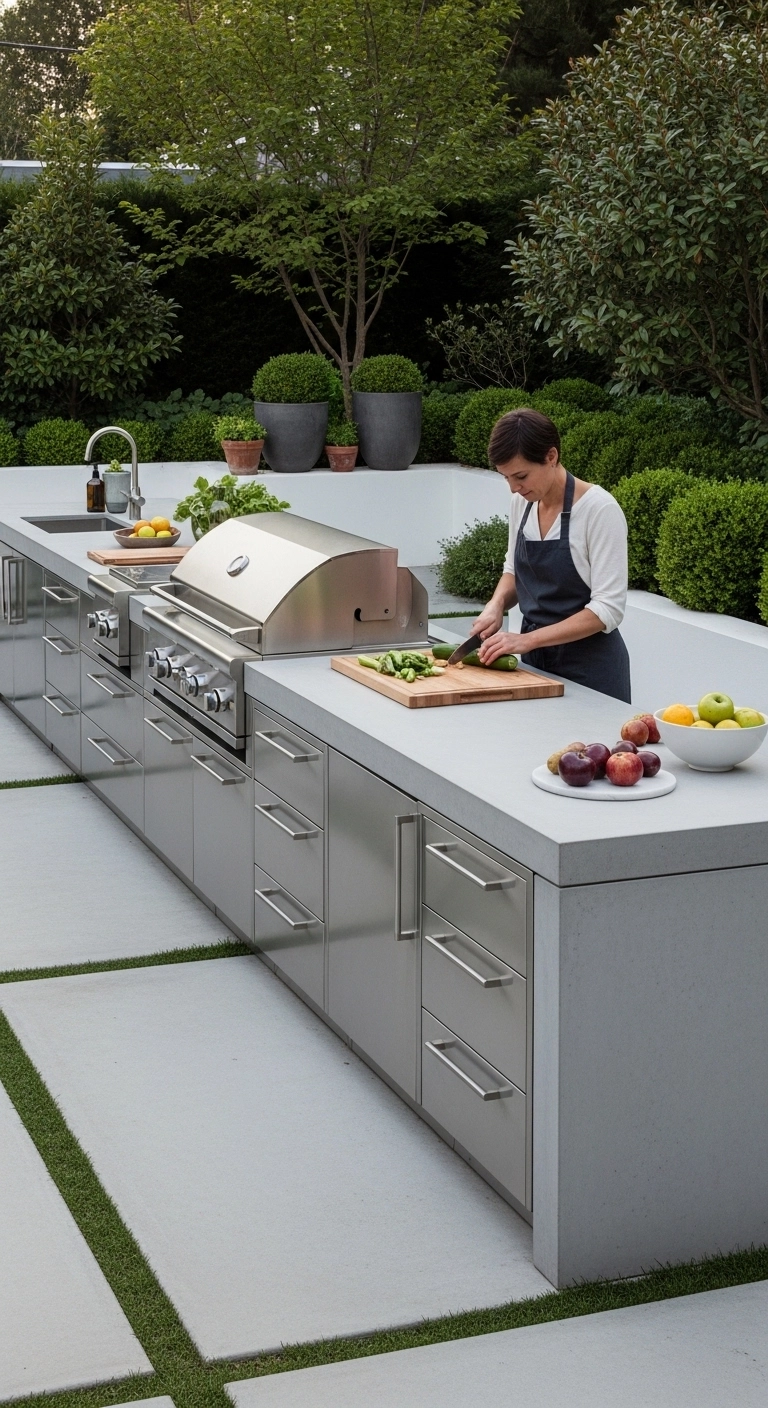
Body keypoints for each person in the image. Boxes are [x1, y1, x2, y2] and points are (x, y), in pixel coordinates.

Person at [473, 407, 631, 702]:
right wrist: (496, 605)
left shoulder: (600, 510)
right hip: (534, 663)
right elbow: (513, 568)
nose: (514, 488)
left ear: (551, 456)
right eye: (506, 478)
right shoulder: (522, 503)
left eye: (520, 476)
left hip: (591, 669)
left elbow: (608, 609)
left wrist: (526, 640)